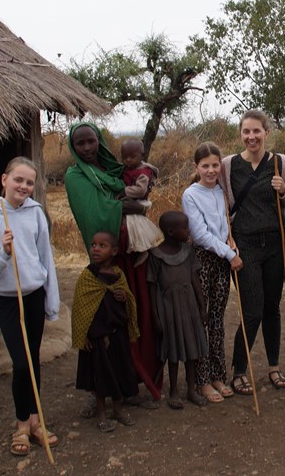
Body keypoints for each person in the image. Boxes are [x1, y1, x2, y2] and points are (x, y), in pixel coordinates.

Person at [65, 122, 162, 407]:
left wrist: (129, 203)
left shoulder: (113, 168)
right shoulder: (75, 177)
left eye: (91, 141)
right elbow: (92, 215)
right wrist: (122, 206)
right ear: (73, 146)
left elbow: (139, 190)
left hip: (133, 254)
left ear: (99, 141)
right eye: (80, 143)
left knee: (140, 315)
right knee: (112, 325)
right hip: (110, 263)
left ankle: (138, 380)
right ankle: (114, 388)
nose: (86, 148)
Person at [0, 157, 60, 456]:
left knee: (33, 360)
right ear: (4, 179)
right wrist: (3, 252)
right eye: (18, 180)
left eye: (29, 182)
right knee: (21, 362)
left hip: (33, 293)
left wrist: (51, 299)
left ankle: (35, 423)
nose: (24, 186)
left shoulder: (35, 214)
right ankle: (22, 424)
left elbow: (45, 257)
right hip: (9, 298)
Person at [220, 109, 285, 395]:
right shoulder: (228, 166)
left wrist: (282, 192)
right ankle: (239, 370)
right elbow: (221, 204)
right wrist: (226, 241)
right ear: (240, 134)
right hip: (245, 245)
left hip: (277, 243)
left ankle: (274, 367)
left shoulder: (281, 163)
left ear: (267, 132)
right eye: (246, 132)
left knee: (271, 308)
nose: (251, 137)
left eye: (256, 131)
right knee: (251, 310)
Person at [181, 141, 242, 403]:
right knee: (202, 320)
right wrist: (230, 254)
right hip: (202, 261)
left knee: (218, 320)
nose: (211, 170)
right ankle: (202, 381)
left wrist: (231, 242)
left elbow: (223, 225)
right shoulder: (191, 194)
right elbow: (201, 234)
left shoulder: (219, 191)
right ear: (196, 167)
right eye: (205, 166)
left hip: (222, 261)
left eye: (215, 165)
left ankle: (219, 375)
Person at [72, 231, 142, 431]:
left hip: (117, 334)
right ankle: (102, 414)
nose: (96, 249)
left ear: (114, 251)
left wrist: (123, 297)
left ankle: (118, 410)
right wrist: (83, 335)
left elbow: (128, 300)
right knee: (100, 375)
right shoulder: (88, 277)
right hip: (97, 336)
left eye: (102, 246)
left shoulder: (118, 275)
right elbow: (80, 308)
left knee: (119, 371)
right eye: (93, 245)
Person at [148, 211, 209, 409]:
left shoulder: (188, 251)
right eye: (185, 228)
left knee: (191, 349)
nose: (188, 231)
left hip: (189, 304)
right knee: (173, 348)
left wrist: (202, 306)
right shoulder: (156, 255)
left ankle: (191, 389)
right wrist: (156, 316)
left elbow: (195, 280)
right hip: (169, 308)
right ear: (171, 231)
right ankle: (173, 390)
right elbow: (152, 286)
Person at [119, 137, 164, 253]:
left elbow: (140, 190)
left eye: (132, 157)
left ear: (142, 156)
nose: (128, 160)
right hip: (131, 202)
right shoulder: (126, 169)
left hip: (139, 202)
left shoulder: (143, 172)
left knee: (136, 229)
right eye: (125, 157)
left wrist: (124, 191)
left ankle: (142, 251)